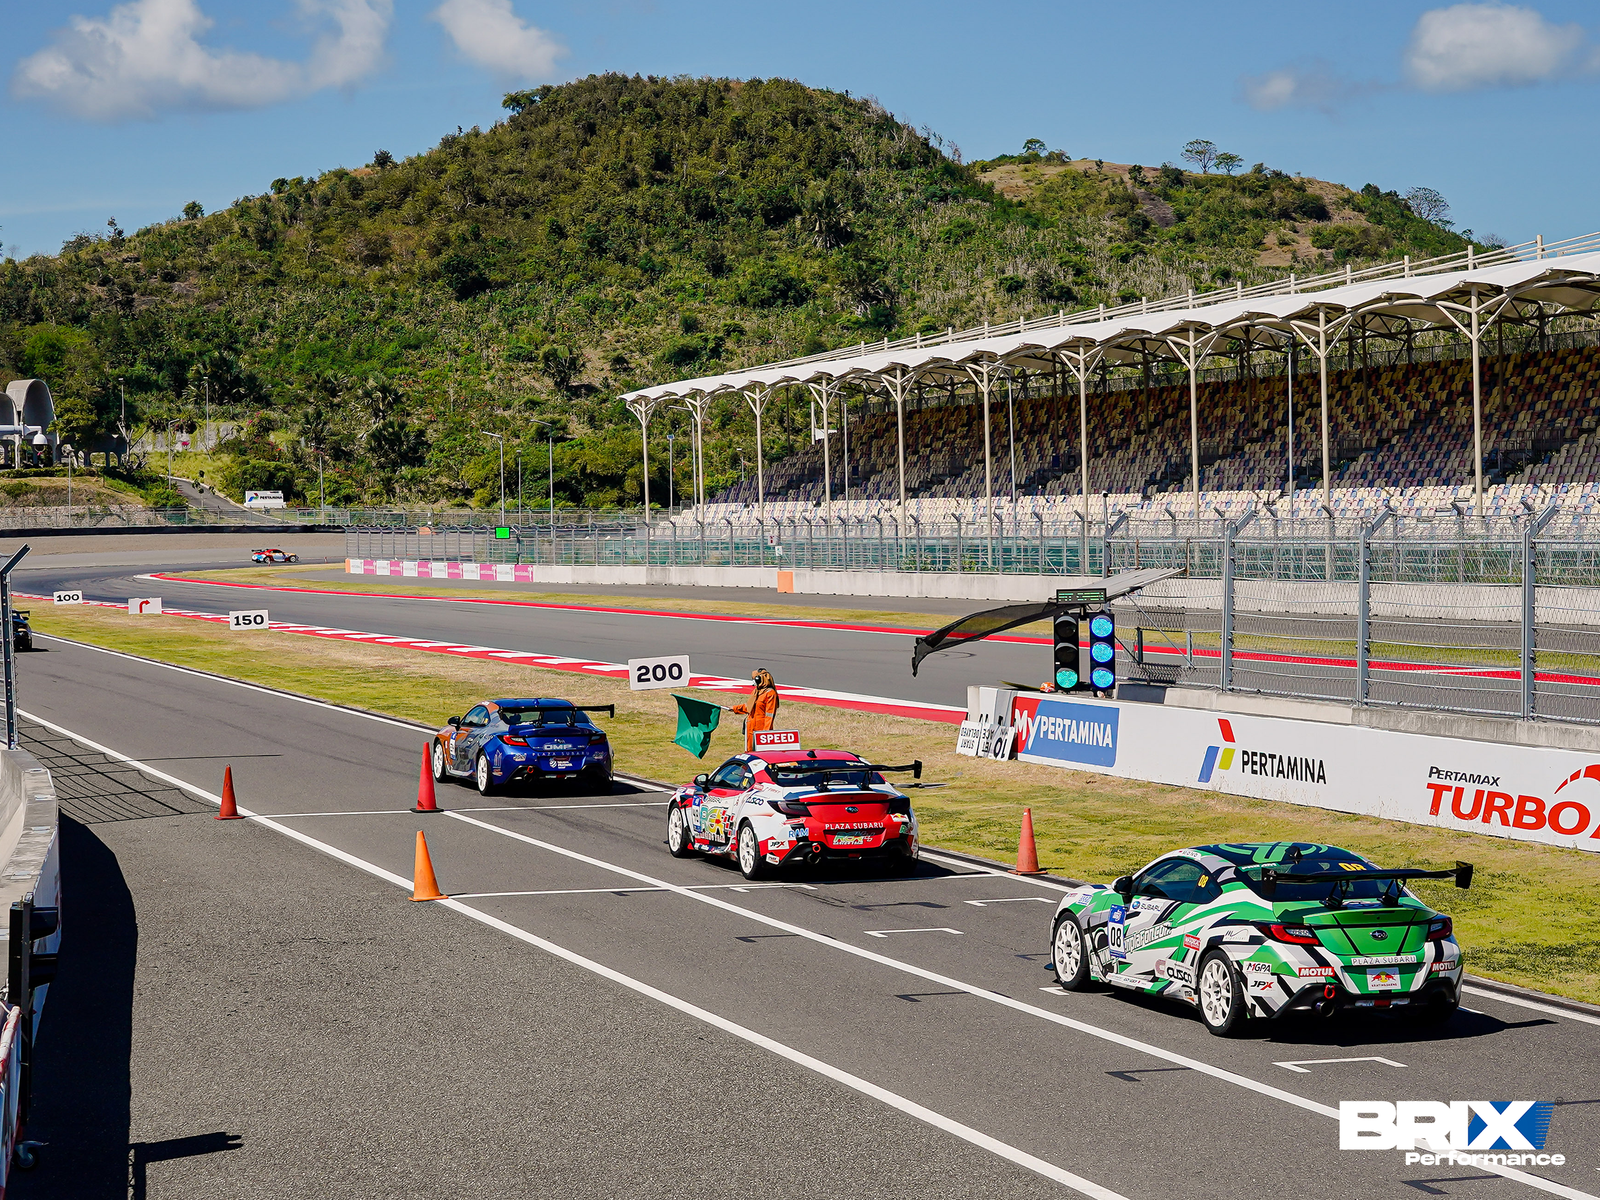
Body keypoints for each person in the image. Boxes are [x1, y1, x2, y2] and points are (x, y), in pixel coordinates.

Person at [731, 667, 780, 751]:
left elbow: (769, 716)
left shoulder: (770, 694)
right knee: (749, 752)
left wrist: (765, 734)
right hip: (750, 727)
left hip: (760, 730)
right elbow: (749, 707)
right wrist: (734, 708)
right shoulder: (755, 692)